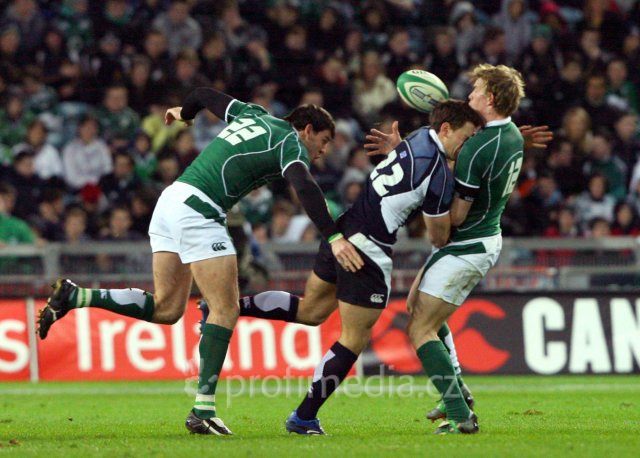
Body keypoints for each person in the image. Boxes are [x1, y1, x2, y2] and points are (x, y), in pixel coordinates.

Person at [37, 86, 364, 436]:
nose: (323, 151)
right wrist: (334, 237)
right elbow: (305, 187)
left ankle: (76, 296)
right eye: (323, 141)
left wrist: (186, 112)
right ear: (307, 129)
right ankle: (202, 410)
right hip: (200, 209)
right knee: (224, 309)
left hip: (171, 200)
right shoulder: (291, 142)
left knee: (167, 308)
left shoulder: (253, 113)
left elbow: (204, 94)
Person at [201, 100, 485, 434]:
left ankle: (227, 307)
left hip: (343, 230)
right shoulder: (438, 175)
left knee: (311, 310)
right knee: (353, 339)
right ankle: (304, 417)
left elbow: (412, 166)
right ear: (446, 129)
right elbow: (438, 236)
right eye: (466, 138)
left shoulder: (419, 137)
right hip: (368, 249)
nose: (467, 146)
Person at [370, 64, 533, 434]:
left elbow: (455, 216)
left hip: (467, 244)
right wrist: (410, 156)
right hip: (479, 239)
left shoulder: (477, 147)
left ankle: (461, 415)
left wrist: (423, 186)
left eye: (477, 91)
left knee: (420, 329)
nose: (470, 95)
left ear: (491, 98)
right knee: (419, 312)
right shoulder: (510, 134)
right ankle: (457, 394)